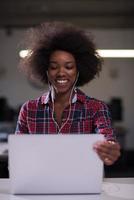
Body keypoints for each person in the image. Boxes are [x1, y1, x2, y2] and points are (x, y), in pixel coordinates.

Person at [15, 21, 120, 166]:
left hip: (82, 183)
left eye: (69, 67)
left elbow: (107, 136)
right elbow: (19, 152)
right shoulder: (29, 109)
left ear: (78, 70)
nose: (61, 73)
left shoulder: (96, 108)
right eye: (53, 67)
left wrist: (109, 147)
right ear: (46, 70)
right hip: (39, 182)